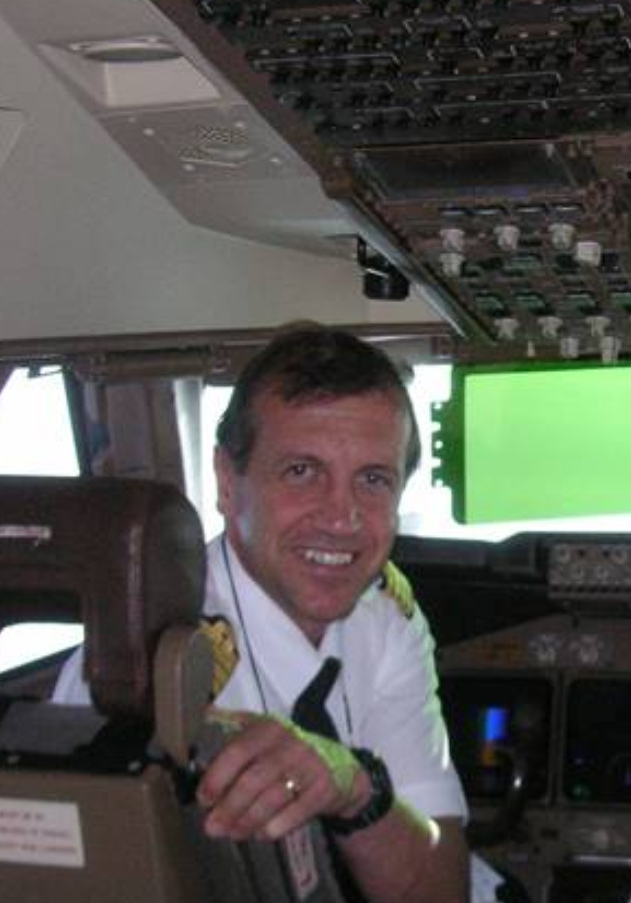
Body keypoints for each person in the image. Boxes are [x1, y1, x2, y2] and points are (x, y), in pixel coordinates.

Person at [54, 325, 469, 903]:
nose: (342, 518)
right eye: (302, 471)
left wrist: (356, 788)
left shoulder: (386, 621)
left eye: (373, 480)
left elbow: (440, 890)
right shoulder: (141, 663)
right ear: (228, 483)